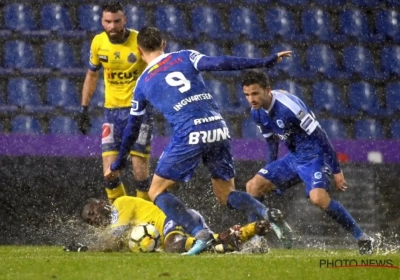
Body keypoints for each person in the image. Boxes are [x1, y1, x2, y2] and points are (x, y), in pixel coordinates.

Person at [105, 26, 293, 256]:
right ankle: (266, 213)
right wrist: (265, 61)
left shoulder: (142, 84)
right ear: (164, 44)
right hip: (218, 127)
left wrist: (118, 163)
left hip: (189, 131)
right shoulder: (185, 56)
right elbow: (221, 62)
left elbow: (132, 128)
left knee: (156, 191)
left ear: (138, 49)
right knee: (226, 195)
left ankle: (198, 232)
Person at [241, 70, 375, 255]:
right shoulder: (257, 113)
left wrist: (336, 170)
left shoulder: (289, 109)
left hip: (314, 157)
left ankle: (363, 238)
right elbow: (271, 142)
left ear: (267, 90)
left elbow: (321, 137)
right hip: (294, 157)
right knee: (253, 186)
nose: (251, 99)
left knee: (318, 199)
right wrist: (270, 171)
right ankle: (258, 241)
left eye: (255, 93)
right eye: (247, 95)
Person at [77, 1, 152, 203]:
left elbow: (156, 69)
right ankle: (120, 216)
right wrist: (84, 108)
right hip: (111, 113)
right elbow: (92, 75)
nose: (112, 27)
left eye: (116, 21)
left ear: (124, 20)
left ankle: (144, 217)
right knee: (109, 174)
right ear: (102, 21)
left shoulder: (139, 41)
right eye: (107, 22)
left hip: (139, 111)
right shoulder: (98, 43)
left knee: (139, 172)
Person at [74, 196, 271, 253]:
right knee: (215, 249)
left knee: (173, 246)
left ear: (101, 203)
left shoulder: (120, 204)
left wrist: (86, 249)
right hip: (185, 224)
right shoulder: (114, 225)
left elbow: (113, 238)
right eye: (89, 221)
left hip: (174, 220)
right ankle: (250, 233)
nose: (93, 219)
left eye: (91, 212)